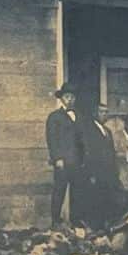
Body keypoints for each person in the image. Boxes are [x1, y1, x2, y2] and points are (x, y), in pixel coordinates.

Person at [45, 83, 84, 228]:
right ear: (61, 99)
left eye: (72, 97)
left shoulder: (79, 116)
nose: (70, 100)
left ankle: (75, 220)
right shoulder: (54, 117)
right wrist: (57, 159)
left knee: (77, 191)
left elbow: (82, 140)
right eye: (67, 97)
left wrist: (83, 158)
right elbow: (52, 139)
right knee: (59, 190)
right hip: (63, 162)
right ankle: (55, 220)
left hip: (77, 161)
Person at [81, 102, 122, 228]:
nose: (104, 115)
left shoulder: (108, 131)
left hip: (108, 173)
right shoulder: (88, 130)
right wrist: (91, 173)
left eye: (106, 112)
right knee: (95, 201)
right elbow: (87, 153)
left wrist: (115, 172)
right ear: (95, 113)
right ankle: (95, 228)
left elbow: (112, 153)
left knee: (107, 201)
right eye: (101, 112)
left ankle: (105, 227)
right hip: (96, 173)